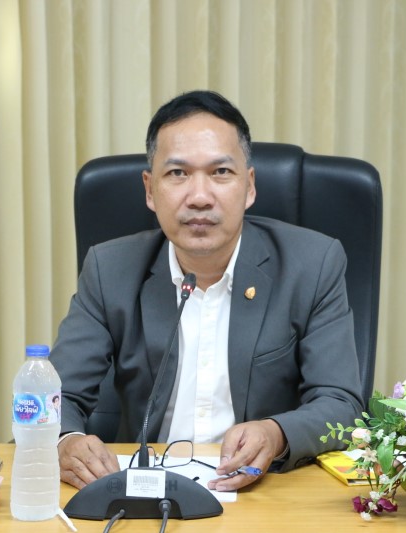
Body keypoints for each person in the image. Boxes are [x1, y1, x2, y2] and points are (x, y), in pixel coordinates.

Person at [50, 90, 364, 492]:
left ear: (249, 186)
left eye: (220, 172)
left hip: (266, 493)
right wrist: (65, 440)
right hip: (144, 494)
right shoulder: (109, 269)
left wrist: (275, 433)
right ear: (150, 190)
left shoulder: (312, 265)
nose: (199, 197)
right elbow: (53, 398)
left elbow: (340, 403)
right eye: (177, 174)